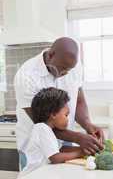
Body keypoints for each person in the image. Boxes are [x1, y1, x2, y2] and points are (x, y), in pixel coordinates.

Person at [14, 37, 104, 169]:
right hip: (37, 149)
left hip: (65, 143)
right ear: (50, 55)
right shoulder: (26, 76)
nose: (65, 73)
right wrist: (79, 139)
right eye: (62, 69)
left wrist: (87, 124)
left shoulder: (73, 65)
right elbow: (42, 122)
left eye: (69, 70)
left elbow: (78, 100)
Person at [23, 87, 85, 172]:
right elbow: (56, 158)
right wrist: (80, 153)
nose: (68, 119)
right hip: (33, 175)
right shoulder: (42, 128)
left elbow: (60, 149)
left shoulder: (49, 130)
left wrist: (83, 149)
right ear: (54, 114)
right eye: (66, 115)